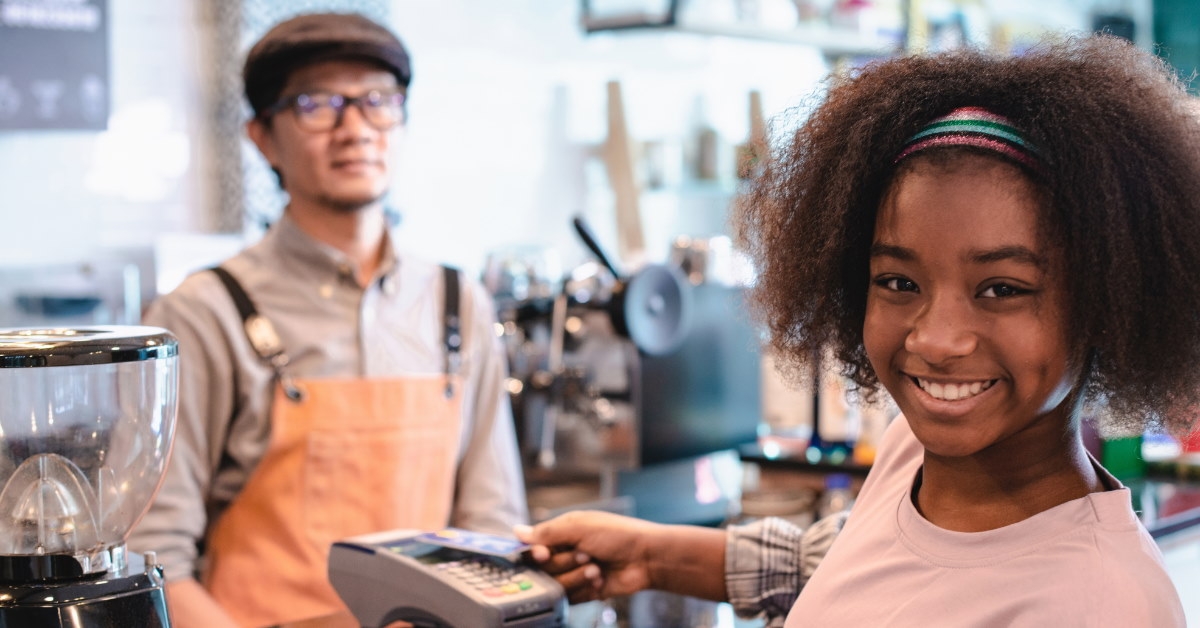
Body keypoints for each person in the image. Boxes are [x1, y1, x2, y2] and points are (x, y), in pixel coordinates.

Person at [516, 34, 1200, 627]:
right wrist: (649, 553)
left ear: (1109, 303)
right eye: (899, 282)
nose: (936, 340)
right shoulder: (916, 451)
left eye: (1002, 289)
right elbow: (857, 568)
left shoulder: (1103, 605)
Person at [128, 12, 527, 628]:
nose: (355, 129)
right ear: (262, 137)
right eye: (317, 105)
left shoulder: (458, 301)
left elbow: (492, 526)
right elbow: (156, 560)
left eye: (378, 101)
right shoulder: (204, 311)